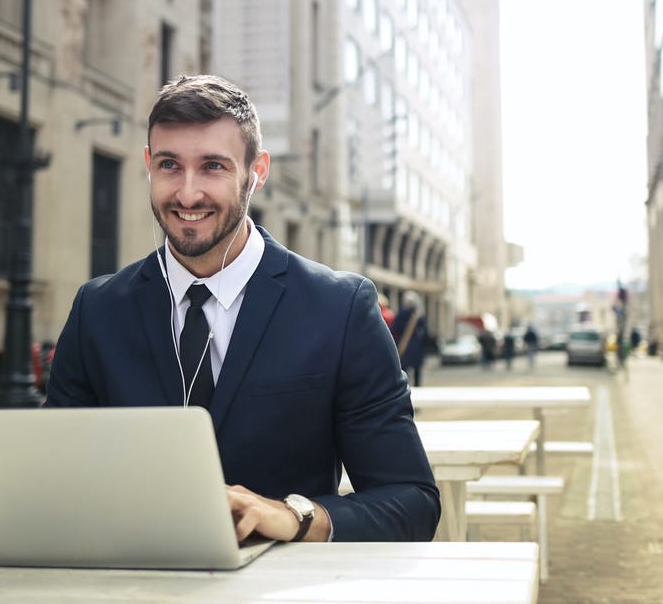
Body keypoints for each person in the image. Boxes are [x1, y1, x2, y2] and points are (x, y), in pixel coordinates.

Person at [45, 75, 440, 544]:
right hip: (132, 579)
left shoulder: (341, 309)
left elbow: (411, 500)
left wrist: (295, 515)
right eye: (170, 165)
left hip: (280, 587)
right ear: (149, 165)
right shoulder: (98, 309)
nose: (188, 194)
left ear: (257, 171)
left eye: (213, 166)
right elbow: (54, 479)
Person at [390, 291, 428, 386]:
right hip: (416, 347)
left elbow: (394, 330)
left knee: (403, 370)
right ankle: (417, 387)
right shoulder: (418, 316)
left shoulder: (400, 315)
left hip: (403, 345)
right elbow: (425, 333)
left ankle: (404, 387)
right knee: (417, 370)